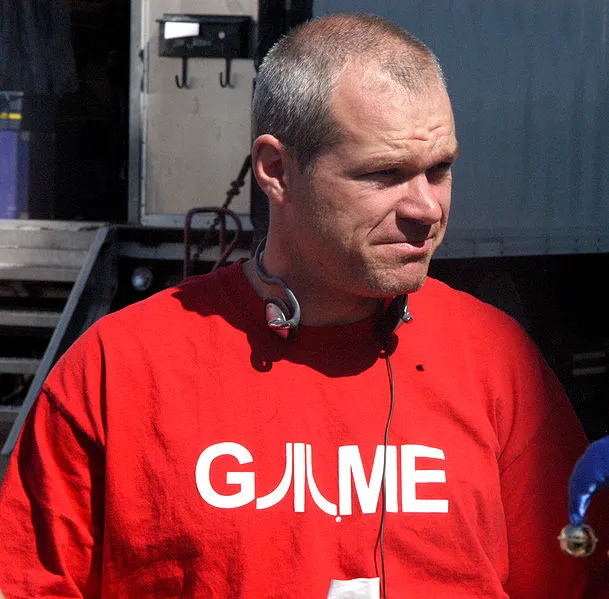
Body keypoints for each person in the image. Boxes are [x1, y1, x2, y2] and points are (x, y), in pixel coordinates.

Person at [0, 13, 606, 598]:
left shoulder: (496, 360)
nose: (426, 208)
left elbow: (577, 579)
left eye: (439, 169)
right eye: (385, 173)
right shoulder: (119, 370)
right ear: (276, 170)